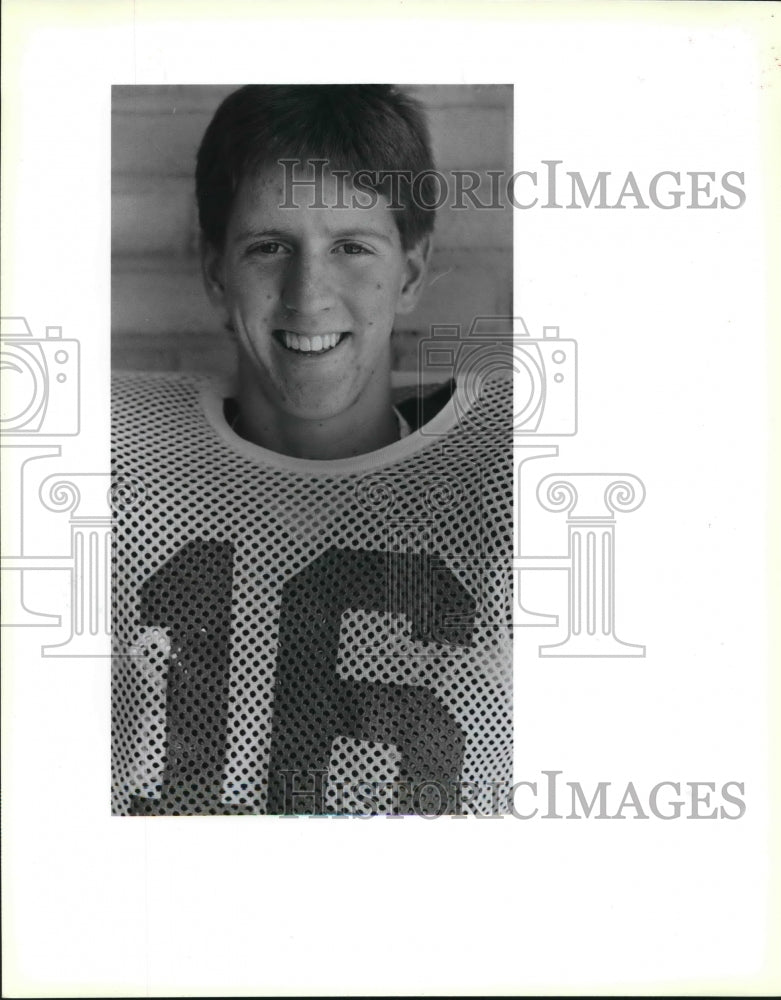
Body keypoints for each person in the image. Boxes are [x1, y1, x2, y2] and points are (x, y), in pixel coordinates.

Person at [111, 84, 513, 817]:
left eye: (352, 248)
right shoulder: (107, 457)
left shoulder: (509, 472)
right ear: (213, 271)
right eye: (268, 248)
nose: (308, 295)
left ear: (412, 274)